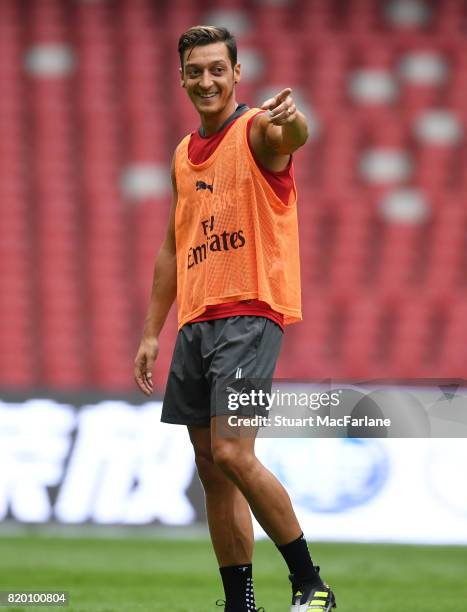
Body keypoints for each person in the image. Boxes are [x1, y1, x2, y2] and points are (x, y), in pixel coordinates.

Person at [134, 25, 336, 612]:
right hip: (195, 321)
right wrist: (152, 330)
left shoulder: (256, 130)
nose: (205, 80)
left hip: (248, 310)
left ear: (236, 73)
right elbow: (173, 247)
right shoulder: (180, 153)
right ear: (181, 77)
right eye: (195, 70)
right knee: (212, 471)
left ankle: (310, 583)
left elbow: (290, 135)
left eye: (217, 69)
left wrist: (292, 119)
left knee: (232, 453)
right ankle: (240, 603)